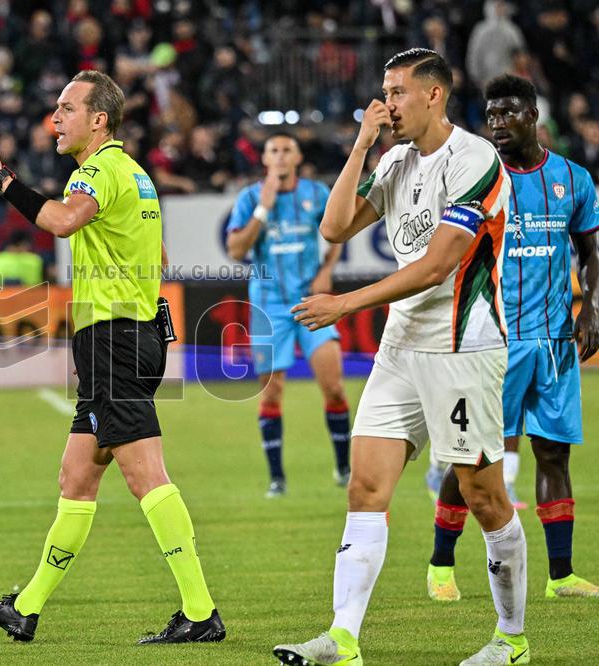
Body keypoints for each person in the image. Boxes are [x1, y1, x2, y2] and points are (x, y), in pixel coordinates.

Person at [273, 49, 527, 666]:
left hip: (460, 347)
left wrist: (347, 302)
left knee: (483, 495)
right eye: (383, 92)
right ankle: (342, 638)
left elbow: (439, 263)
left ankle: (511, 638)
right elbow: (334, 228)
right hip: (400, 349)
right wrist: (361, 146)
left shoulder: (475, 159)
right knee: (365, 486)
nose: (385, 103)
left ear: (434, 94)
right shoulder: (394, 162)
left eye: (396, 92)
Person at [0, 70, 224, 645]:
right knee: (76, 476)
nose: (54, 119)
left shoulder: (97, 171)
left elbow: (62, 223)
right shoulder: (135, 175)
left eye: (66, 108)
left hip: (112, 340)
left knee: (146, 477)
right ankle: (27, 607)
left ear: (98, 118)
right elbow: (157, 253)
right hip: (128, 336)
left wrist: (3, 179)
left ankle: (200, 611)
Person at [425, 75, 599, 603]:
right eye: (491, 114)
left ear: (533, 115)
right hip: (491, 340)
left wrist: (591, 304)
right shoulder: (477, 179)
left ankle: (562, 575)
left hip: (552, 342)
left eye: (508, 113)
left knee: (553, 454)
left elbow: (591, 250)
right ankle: (441, 564)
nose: (497, 124)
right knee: (471, 457)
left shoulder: (573, 179)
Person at [225, 133, 350, 498]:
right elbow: (235, 250)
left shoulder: (316, 193)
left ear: (297, 158)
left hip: (313, 300)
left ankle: (344, 468)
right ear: (265, 160)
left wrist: (328, 266)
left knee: (334, 385)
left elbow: (339, 230)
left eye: (286, 150)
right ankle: (277, 479)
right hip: (269, 306)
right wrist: (262, 210)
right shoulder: (250, 198)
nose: (280, 157)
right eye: (273, 151)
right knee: (271, 393)